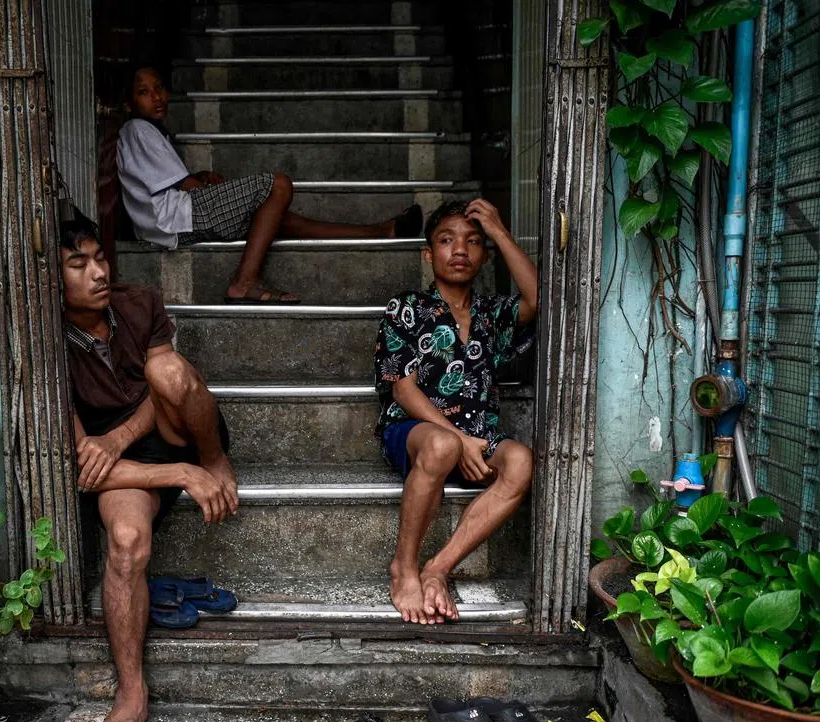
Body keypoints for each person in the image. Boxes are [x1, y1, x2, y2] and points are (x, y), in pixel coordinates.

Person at [60, 214, 238, 722]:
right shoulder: (43, 341)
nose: (97, 272)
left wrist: (191, 459)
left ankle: (217, 459)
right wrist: (180, 476)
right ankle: (132, 693)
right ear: (52, 278)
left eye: (99, 258)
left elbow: (167, 392)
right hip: (125, 470)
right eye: (78, 264)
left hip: (174, 426)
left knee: (170, 374)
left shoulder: (140, 303)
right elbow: (80, 463)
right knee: (128, 542)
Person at [117, 65, 424, 304]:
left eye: (159, 88)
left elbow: (169, 181)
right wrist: (202, 183)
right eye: (144, 92)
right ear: (130, 102)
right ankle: (245, 282)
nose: (156, 96)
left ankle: (382, 230)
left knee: (283, 221)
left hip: (172, 223)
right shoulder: (137, 128)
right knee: (277, 186)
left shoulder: (150, 131)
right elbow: (186, 187)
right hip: (176, 219)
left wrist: (200, 178)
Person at [374, 199, 538, 625]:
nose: (460, 250)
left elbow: (535, 299)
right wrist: (459, 438)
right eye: (447, 241)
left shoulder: (491, 313)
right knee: (444, 445)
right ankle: (404, 568)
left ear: (484, 255)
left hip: (478, 434)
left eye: (473, 242)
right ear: (429, 254)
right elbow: (403, 387)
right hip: (414, 432)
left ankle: (437, 568)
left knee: (521, 461)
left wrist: (500, 230)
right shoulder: (405, 308)